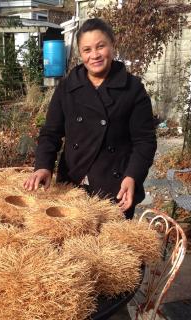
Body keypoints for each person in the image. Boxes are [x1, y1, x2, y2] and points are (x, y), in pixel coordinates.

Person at [23, 18, 157, 219]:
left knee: (110, 248)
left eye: (100, 46)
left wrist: (132, 177)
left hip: (115, 186)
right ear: (79, 53)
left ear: (112, 45)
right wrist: (44, 165)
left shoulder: (132, 89)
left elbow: (144, 141)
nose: (94, 55)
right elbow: (50, 133)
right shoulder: (67, 88)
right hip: (71, 184)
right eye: (87, 50)